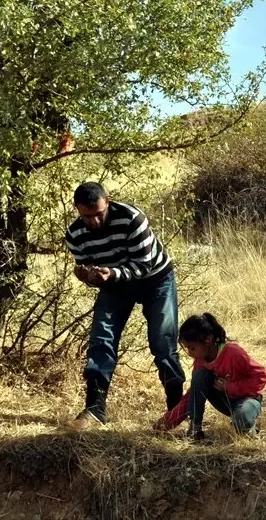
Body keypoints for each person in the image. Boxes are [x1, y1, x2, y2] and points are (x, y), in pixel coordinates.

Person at [65, 181, 186, 430]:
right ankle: (95, 409)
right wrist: (87, 276)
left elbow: (144, 266)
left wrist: (110, 274)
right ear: (77, 209)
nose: (94, 222)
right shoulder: (75, 234)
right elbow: (88, 268)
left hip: (156, 279)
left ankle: (177, 410)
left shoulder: (132, 218)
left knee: (162, 341)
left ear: (107, 201)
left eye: (98, 214)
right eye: (87, 216)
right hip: (115, 283)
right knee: (101, 339)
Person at [154, 312, 266, 441]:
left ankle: (250, 423)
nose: (190, 353)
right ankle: (195, 427)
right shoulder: (201, 361)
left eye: (192, 348)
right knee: (200, 376)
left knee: (242, 420)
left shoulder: (233, 352)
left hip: (247, 400)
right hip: (224, 401)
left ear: (207, 340)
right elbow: (193, 395)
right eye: (187, 349)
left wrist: (230, 387)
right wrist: (167, 422)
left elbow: (261, 376)